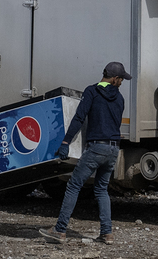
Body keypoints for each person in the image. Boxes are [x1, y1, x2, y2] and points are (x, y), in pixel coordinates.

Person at [43, 61, 129, 245]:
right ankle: (107, 233)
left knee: (74, 185)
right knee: (101, 189)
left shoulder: (92, 91)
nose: (122, 82)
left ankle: (59, 230)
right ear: (114, 79)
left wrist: (66, 142)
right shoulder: (120, 99)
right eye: (121, 79)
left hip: (97, 148)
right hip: (113, 148)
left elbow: (79, 118)